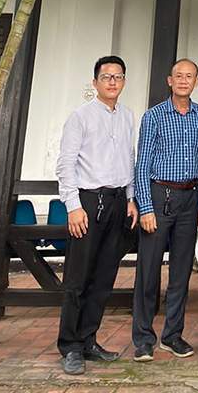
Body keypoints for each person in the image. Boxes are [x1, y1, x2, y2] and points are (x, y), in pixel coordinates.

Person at [55, 55, 138, 375]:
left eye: (118, 77)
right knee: (78, 279)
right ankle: (70, 346)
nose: (112, 82)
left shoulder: (128, 116)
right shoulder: (81, 116)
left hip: (118, 204)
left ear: (124, 81)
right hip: (88, 205)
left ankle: (88, 340)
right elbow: (65, 164)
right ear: (95, 83)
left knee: (103, 279)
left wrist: (131, 199)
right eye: (106, 77)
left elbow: (129, 160)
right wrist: (73, 206)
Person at [132, 59, 198, 362]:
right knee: (148, 271)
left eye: (189, 76)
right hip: (159, 195)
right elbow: (141, 165)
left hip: (190, 198)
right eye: (178, 76)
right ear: (169, 80)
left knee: (180, 272)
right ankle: (143, 338)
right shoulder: (153, 116)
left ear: (196, 82)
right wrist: (146, 207)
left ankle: (172, 335)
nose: (183, 81)